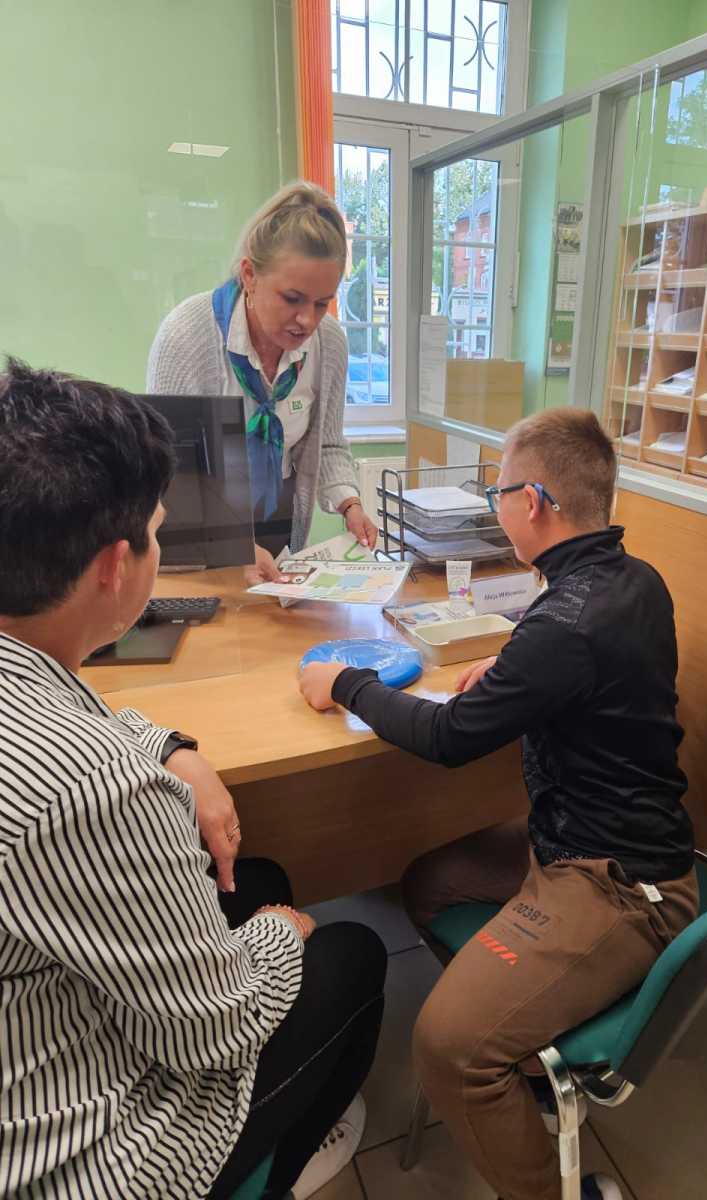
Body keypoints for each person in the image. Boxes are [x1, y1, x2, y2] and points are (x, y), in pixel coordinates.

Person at [0, 359, 386, 1199]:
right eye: (159, 529)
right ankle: (281, 1163)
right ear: (116, 566)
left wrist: (174, 746)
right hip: (85, 1156)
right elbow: (217, 1030)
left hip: (38, 1025)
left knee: (257, 875)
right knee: (347, 951)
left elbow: (83, 721)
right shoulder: (94, 790)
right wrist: (280, 934)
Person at [299, 407, 698, 1200]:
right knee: (428, 884)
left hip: (620, 885)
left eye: (500, 493)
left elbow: (447, 738)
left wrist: (345, 683)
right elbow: (579, 665)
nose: (496, 507)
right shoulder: (631, 580)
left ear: (535, 502)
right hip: (573, 838)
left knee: (445, 1046)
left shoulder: (565, 625)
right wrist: (515, 668)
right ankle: (528, 1053)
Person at [147, 181, 378, 583]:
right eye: (292, 298)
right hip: (200, 531)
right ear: (250, 275)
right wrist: (231, 544)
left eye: (322, 303)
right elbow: (168, 474)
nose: (307, 320)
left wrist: (350, 504)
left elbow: (327, 444)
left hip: (279, 516)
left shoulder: (329, 344)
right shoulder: (187, 335)